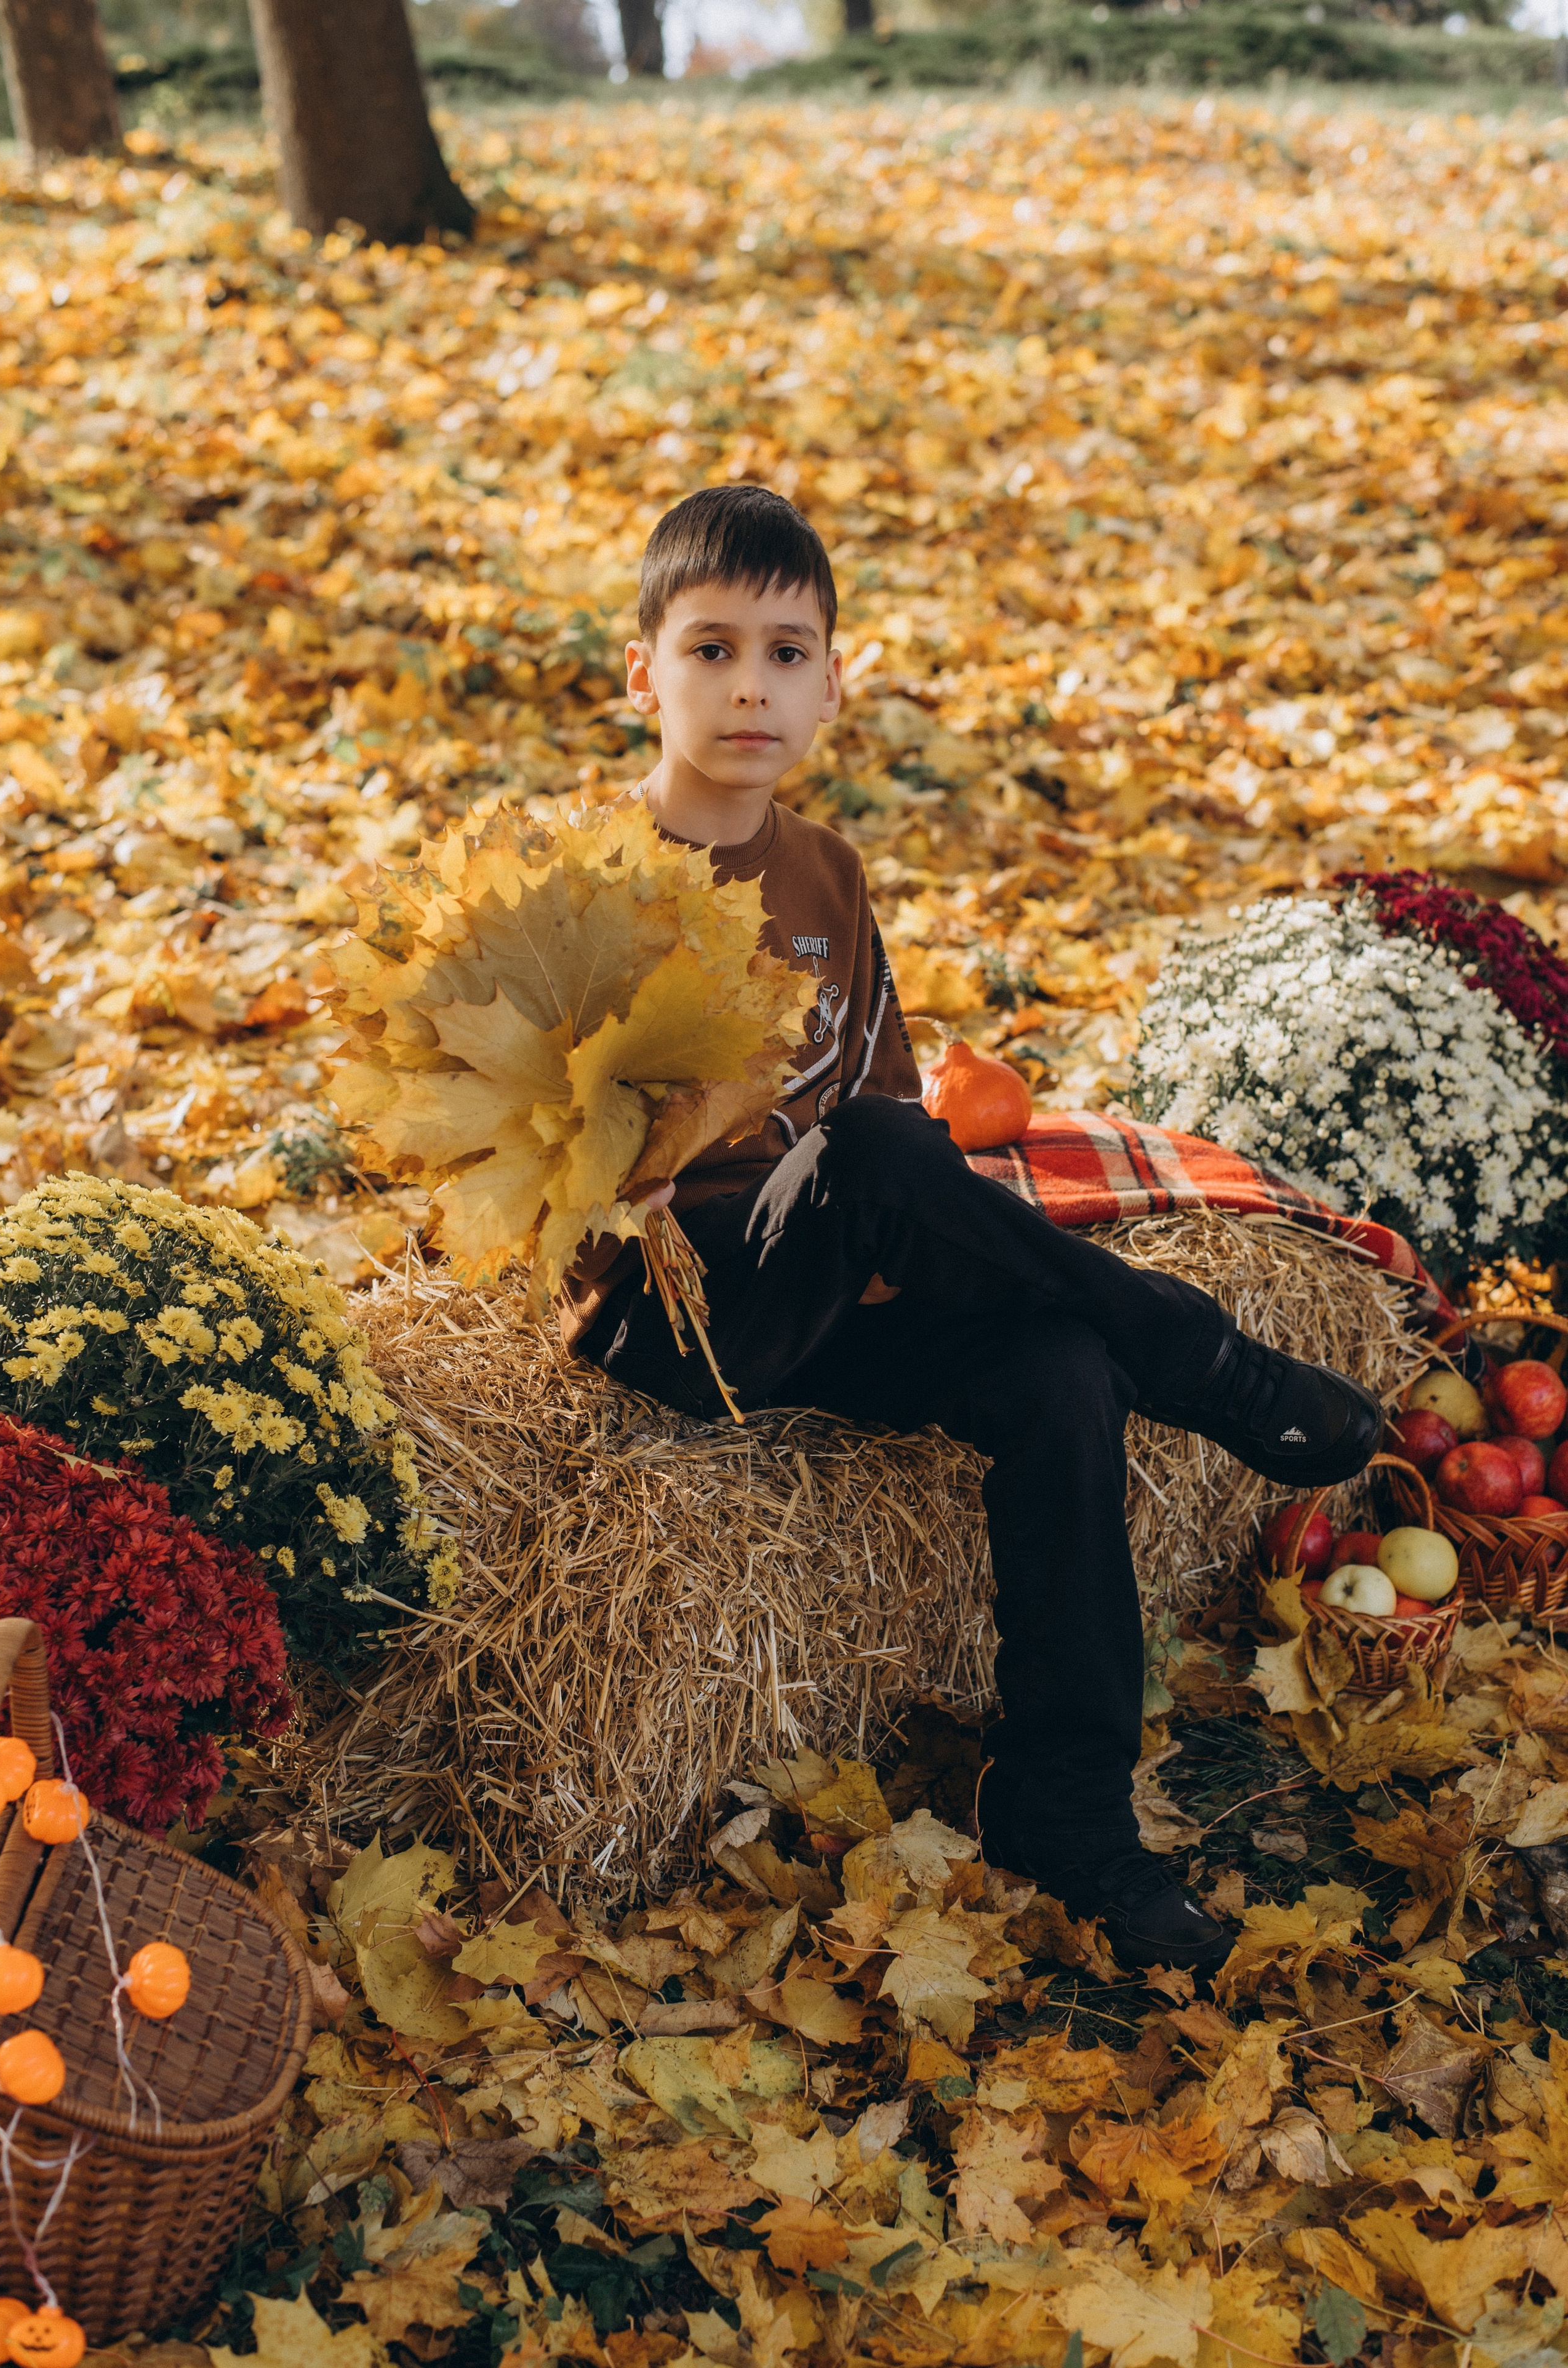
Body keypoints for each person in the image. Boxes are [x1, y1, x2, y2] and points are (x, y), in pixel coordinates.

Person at [562, 484, 1382, 1977]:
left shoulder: (825, 872)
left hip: (830, 1285)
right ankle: (1197, 1356)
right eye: (711, 649)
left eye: (787, 653)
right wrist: (642, 1157)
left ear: (832, 682)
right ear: (642, 674)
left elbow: (878, 1100)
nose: (750, 688)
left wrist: (931, 1265)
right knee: (891, 1162)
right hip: (676, 1312)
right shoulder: (587, 889)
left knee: (1056, 1364)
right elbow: (528, 1164)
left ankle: (1064, 1809)